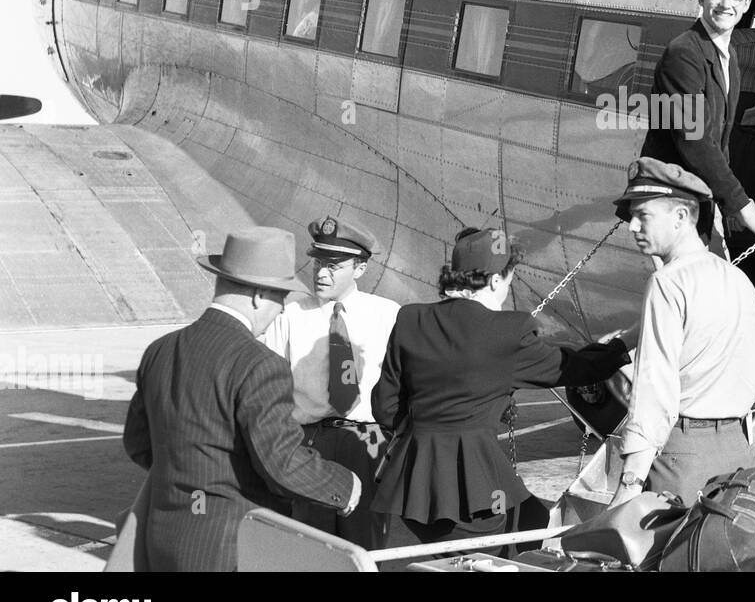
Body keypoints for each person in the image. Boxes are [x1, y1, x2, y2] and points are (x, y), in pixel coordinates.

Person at [371, 227, 631, 552]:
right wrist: (621, 346)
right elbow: (575, 367)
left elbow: (384, 406)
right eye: (508, 280)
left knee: (520, 523)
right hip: (474, 488)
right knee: (501, 548)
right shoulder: (508, 331)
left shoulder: (410, 319)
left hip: (413, 486)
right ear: (495, 281)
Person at [122, 227, 360, 572]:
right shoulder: (260, 364)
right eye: (280, 298)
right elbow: (281, 464)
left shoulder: (161, 350)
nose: (280, 311)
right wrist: (344, 485)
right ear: (258, 295)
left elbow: (139, 444)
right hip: (229, 547)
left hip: (163, 538)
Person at [609, 158, 755, 507]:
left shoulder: (666, 284)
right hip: (740, 456)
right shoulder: (739, 280)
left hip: (683, 461)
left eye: (643, 215)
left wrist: (629, 485)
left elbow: (655, 391)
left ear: (681, 217)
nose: (631, 226)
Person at [261, 216, 399, 550]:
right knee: (311, 546)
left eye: (334, 266)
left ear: (361, 268)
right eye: (319, 261)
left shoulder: (388, 315)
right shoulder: (290, 315)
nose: (321, 272)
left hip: (369, 443)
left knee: (365, 547)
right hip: (310, 443)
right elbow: (269, 387)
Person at [641, 0, 755, 253]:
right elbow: (695, 139)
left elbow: (719, 142)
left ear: (746, 5)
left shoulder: (727, 55)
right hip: (670, 207)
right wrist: (743, 208)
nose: (725, 4)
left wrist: (730, 203)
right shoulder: (684, 54)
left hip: (697, 199)